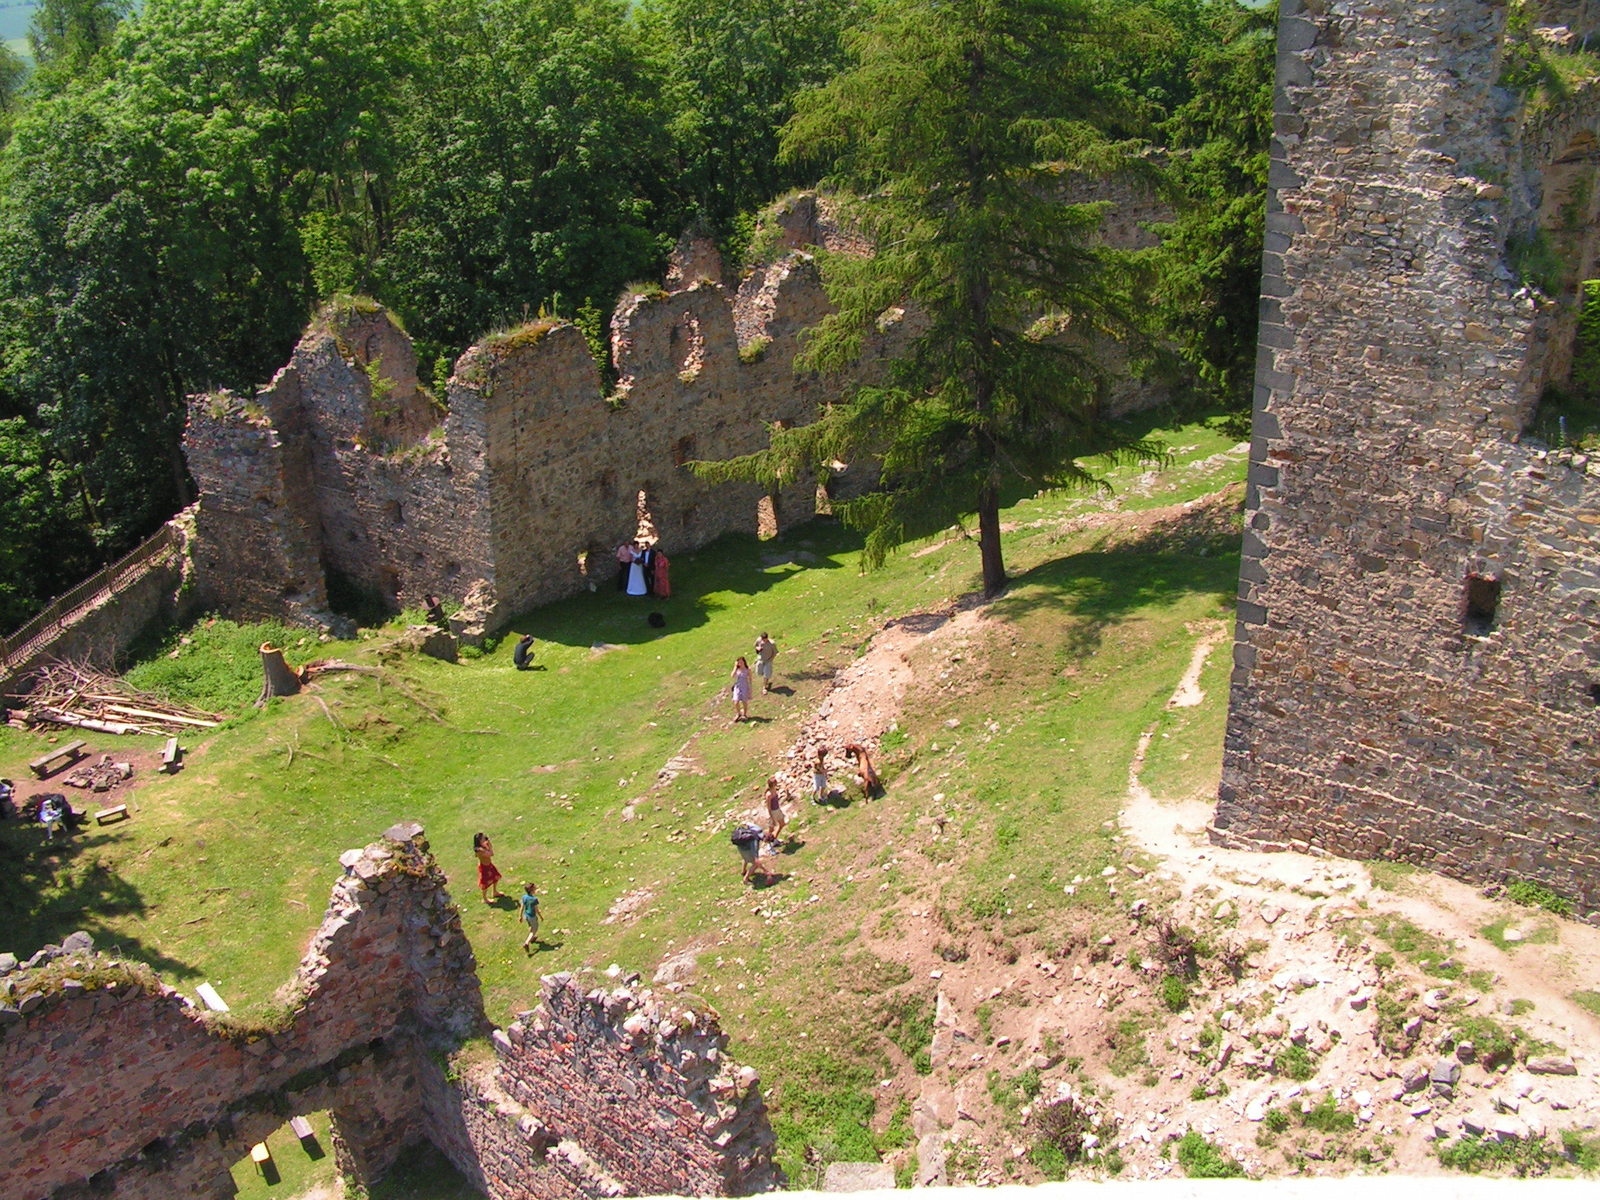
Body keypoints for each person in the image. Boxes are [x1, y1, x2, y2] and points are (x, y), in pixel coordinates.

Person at [473, 832, 503, 903]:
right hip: (484, 867)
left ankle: (495, 892)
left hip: (489, 865)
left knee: (495, 877)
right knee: (485, 883)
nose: (485, 839)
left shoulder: (483, 846)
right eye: (483, 838)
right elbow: (491, 854)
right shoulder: (479, 850)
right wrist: (489, 846)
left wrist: (488, 844)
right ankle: (485, 898)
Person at [520, 881, 542, 952]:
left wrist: (520, 916)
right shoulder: (534, 899)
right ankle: (526, 942)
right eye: (534, 888)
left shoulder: (524, 897)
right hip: (532, 916)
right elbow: (536, 910)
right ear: (531, 890)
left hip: (526, 915)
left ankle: (532, 938)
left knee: (530, 926)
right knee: (534, 929)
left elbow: (522, 907)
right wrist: (541, 916)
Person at [730, 656, 753, 722]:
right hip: (737, 686)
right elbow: (732, 675)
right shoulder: (737, 669)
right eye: (739, 662)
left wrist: (750, 689)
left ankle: (744, 714)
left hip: (745, 686)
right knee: (736, 701)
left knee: (744, 701)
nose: (740, 663)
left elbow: (750, 679)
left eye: (741, 662)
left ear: (744, 662)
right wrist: (735, 667)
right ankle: (738, 713)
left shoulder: (747, 669)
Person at [764, 776, 787, 841]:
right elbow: (768, 807)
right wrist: (771, 817)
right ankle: (767, 840)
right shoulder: (769, 794)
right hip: (772, 812)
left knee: (782, 824)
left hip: (777, 809)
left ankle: (774, 837)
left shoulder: (774, 790)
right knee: (771, 829)